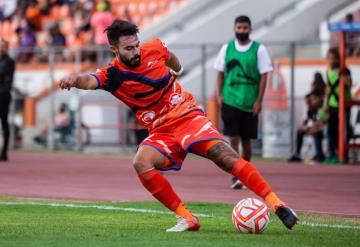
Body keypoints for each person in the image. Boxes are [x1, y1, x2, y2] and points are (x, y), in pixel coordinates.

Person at [59, 19, 298, 232]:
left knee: (223, 155)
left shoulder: (154, 47)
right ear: (114, 50)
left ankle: (278, 205)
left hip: (187, 115)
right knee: (141, 162)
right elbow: (90, 80)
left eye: (136, 45)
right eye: (128, 48)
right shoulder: (112, 74)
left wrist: (179, 69)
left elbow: (170, 56)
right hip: (161, 131)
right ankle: (187, 218)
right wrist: (74, 79)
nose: (136, 52)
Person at [214, 15, 272, 189]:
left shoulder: (259, 50)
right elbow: (220, 72)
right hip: (230, 100)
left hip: (249, 102)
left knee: (246, 142)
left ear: (250, 29)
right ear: (234, 28)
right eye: (239, 28)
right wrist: (219, 94)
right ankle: (236, 175)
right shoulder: (227, 48)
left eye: (245, 28)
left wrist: (259, 101)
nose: (242, 31)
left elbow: (264, 75)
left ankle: (245, 173)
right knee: (233, 140)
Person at [324, 48, 352, 164]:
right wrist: (325, 104)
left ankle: (343, 153)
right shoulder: (328, 71)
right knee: (331, 130)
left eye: (334, 58)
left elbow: (349, 84)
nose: (332, 60)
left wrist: (344, 79)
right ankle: (332, 153)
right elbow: (328, 89)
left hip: (344, 103)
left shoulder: (344, 70)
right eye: (330, 58)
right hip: (332, 104)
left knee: (344, 129)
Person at [287, 92, 325, 163]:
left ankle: (320, 154)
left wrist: (312, 128)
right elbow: (305, 122)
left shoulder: (322, 109)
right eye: (309, 100)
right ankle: (297, 154)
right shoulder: (310, 110)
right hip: (315, 129)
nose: (310, 102)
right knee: (300, 131)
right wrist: (303, 127)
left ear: (319, 99)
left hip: (323, 130)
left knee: (317, 132)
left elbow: (322, 124)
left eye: (313, 99)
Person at [0, 39, 15, 161]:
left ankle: (4, 152)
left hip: (4, 95)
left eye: (3, 46)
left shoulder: (9, 61)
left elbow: (3, 74)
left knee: (4, 122)